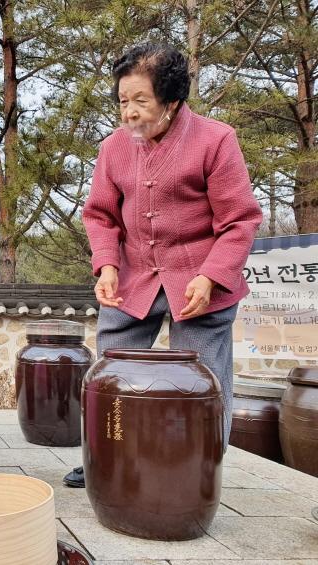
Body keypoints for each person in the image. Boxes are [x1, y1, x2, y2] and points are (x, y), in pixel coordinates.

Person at [63, 43, 262, 488]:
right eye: (122, 101)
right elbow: (99, 214)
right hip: (132, 279)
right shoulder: (113, 148)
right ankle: (104, 456)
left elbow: (239, 219)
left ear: (172, 102)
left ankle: (198, 468)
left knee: (201, 380)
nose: (129, 113)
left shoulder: (216, 140)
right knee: (109, 369)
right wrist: (107, 264)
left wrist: (212, 276)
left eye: (141, 101)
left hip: (200, 281)